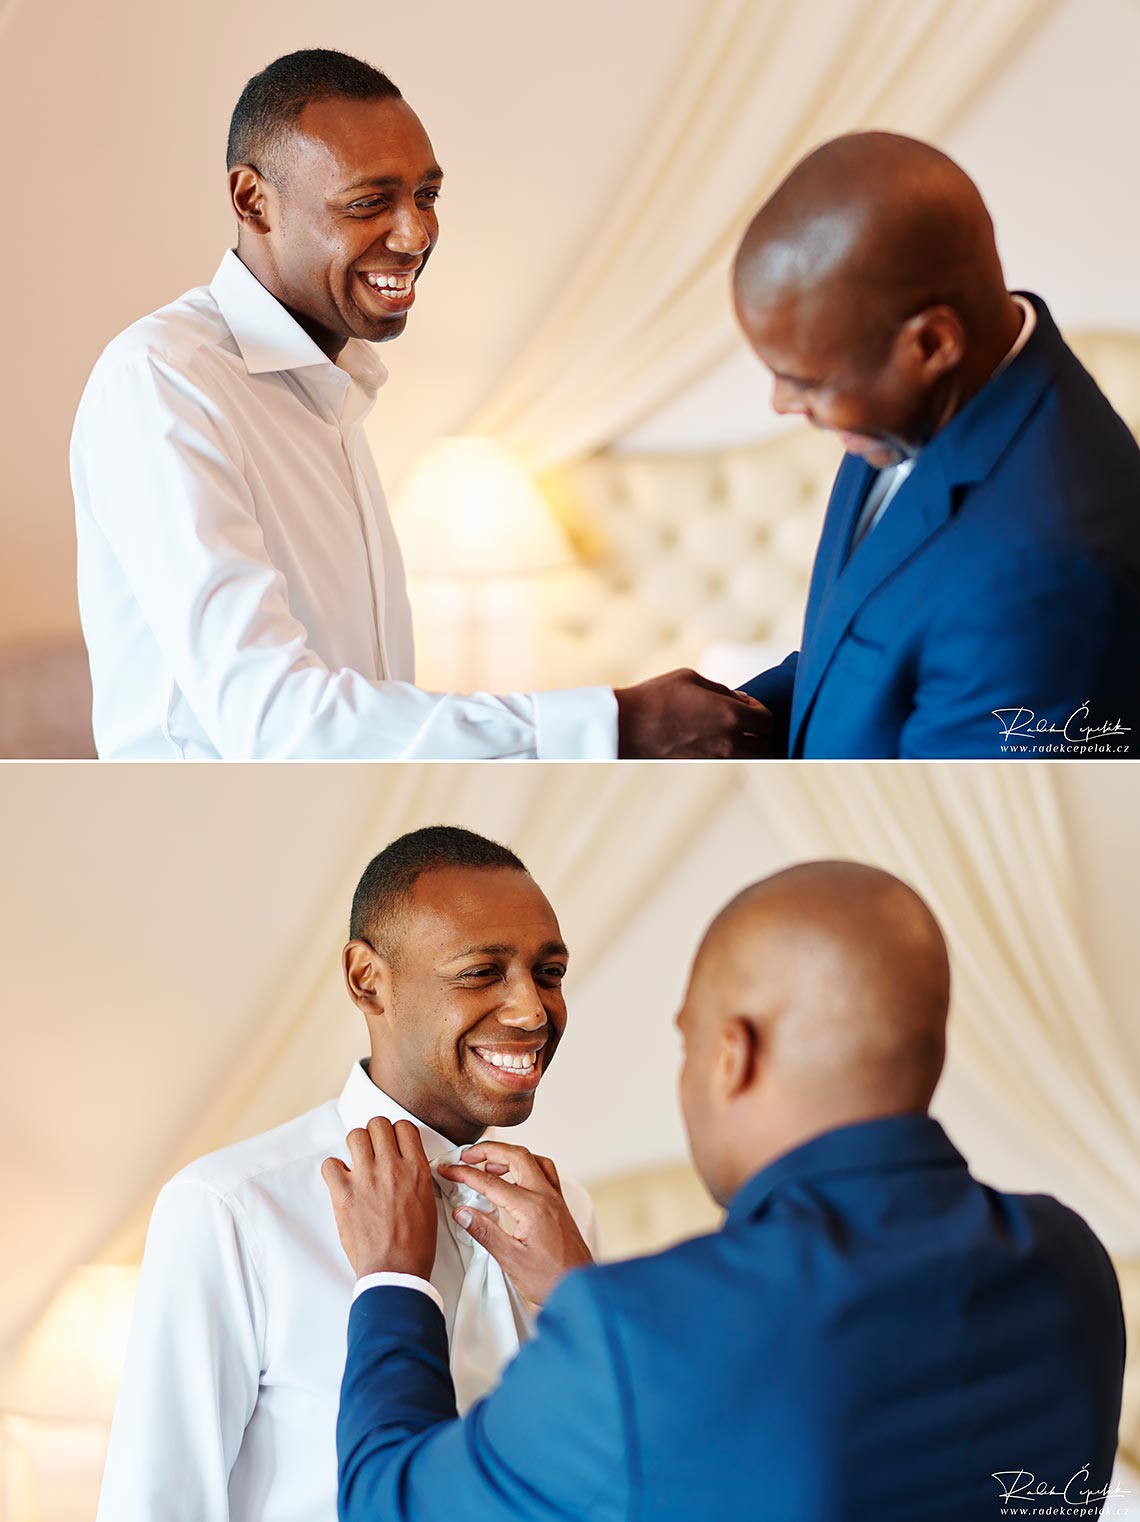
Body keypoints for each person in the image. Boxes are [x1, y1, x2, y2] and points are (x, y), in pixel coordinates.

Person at [324, 861, 1125, 1522]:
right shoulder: (1072, 1262)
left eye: (687, 1041)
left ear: (731, 1054)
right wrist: (586, 1300)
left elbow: (383, 1507)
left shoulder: (642, 1334)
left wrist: (395, 1280)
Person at [71, 48, 769, 761]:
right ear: (254, 201)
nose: (416, 235)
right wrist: (614, 723)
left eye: (427, 196)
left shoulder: (334, 386)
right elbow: (276, 721)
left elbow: (361, 707)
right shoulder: (165, 381)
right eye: (369, 202)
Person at [96, 826, 597, 1522]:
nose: (532, 1009)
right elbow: (156, 1505)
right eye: (483, 972)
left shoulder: (565, 1210)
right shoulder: (232, 1208)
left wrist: (588, 1298)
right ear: (368, 980)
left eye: (550, 973)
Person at [734, 132, 1140, 759]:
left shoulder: (1051, 571)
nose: (782, 404)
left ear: (930, 346)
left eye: (806, 381)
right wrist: (726, 720)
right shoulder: (900, 408)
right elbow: (858, 648)